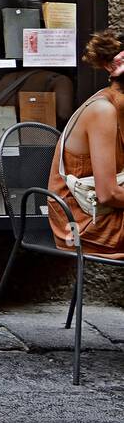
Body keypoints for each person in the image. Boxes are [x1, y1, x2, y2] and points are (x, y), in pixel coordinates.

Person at [47, 30, 124, 258]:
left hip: (100, 212)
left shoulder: (118, 106)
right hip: (79, 226)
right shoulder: (103, 111)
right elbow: (108, 194)